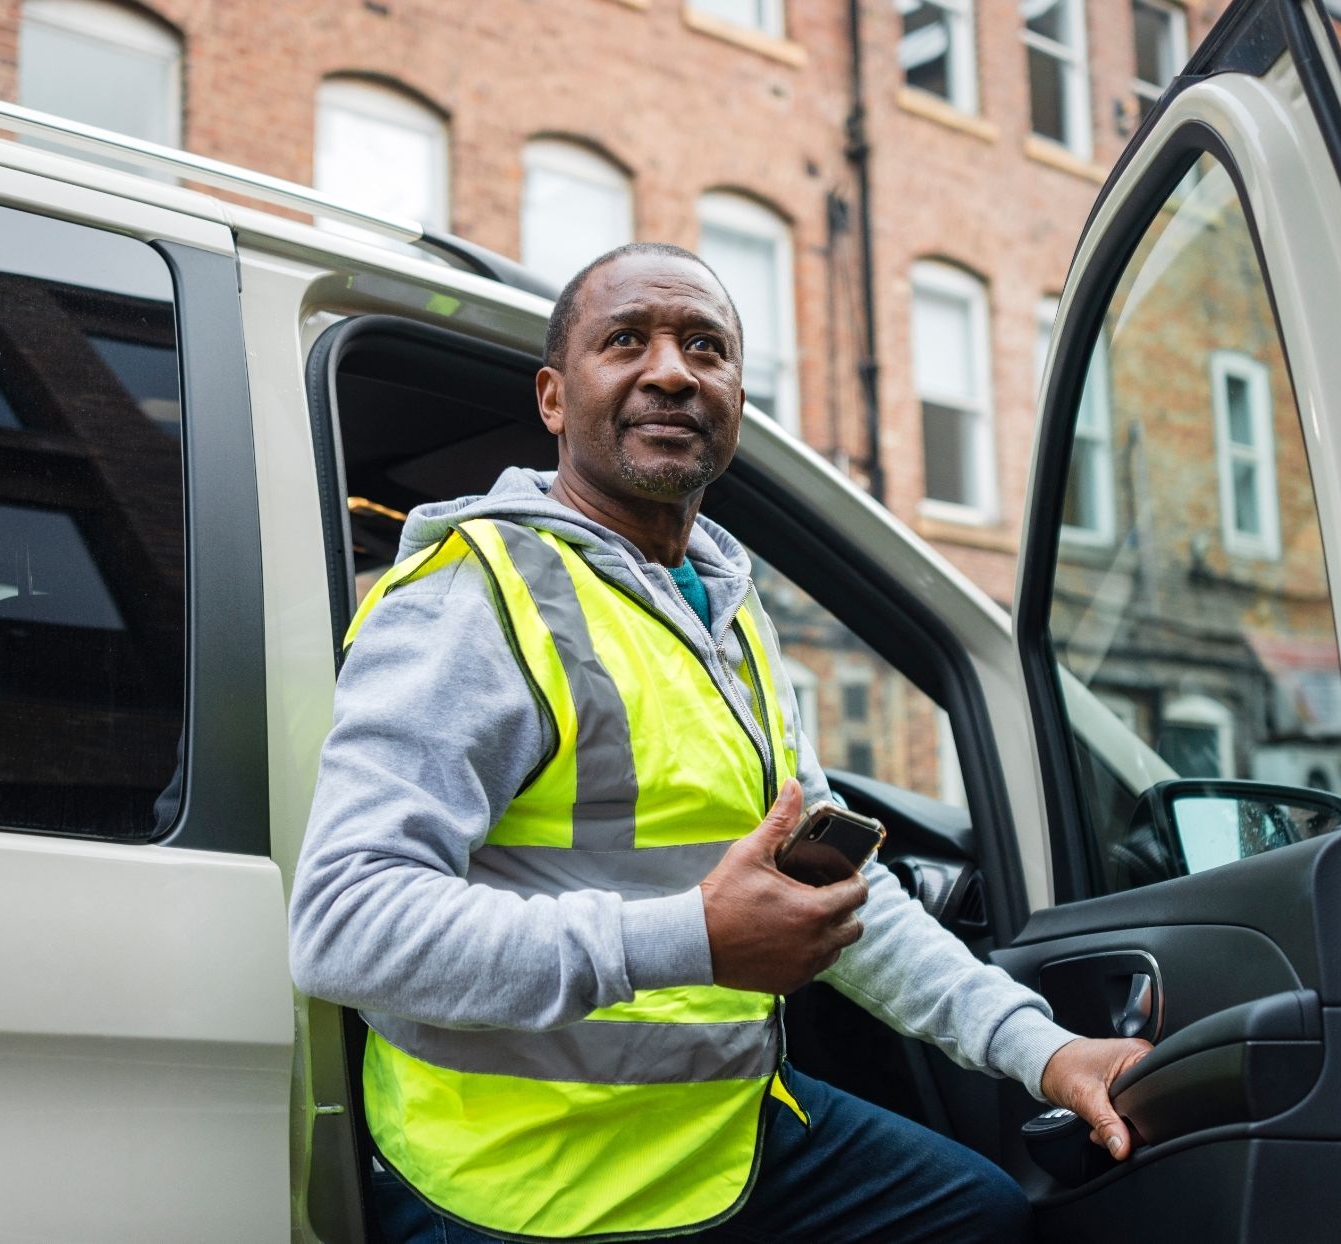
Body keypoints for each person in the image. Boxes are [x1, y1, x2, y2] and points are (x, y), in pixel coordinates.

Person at [289, 242, 1151, 1243]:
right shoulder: (472, 595)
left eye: (706, 347)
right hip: (520, 1186)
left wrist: (1043, 1051)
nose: (671, 371)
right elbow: (344, 922)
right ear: (554, 398)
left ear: (737, 396)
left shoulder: (725, 608)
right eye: (626, 341)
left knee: (980, 1216)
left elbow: (832, 890)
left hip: (722, 1139)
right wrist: (693, 936)